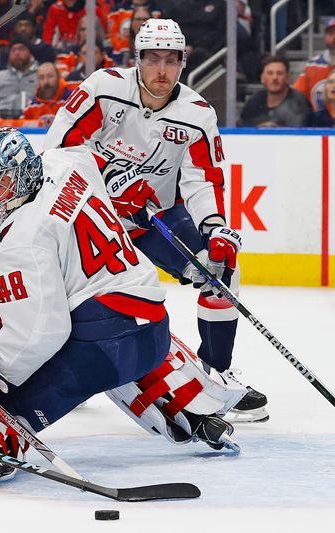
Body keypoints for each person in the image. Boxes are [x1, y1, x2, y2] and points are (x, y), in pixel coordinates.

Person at [0, 128, 243, 485]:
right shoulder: (67, 162)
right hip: (156, 332)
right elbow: (104, 163)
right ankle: (189, 405)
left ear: (22, 177)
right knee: (119, 313)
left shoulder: (17, 243)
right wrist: (123, 185)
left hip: (102, 355)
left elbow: (41, 332)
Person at [42, 19, 269, 422]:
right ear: (137, 60)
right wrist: (107, 176)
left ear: (183, 62)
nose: (161, 70)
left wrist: (215, 230)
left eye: (171, 60)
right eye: (152, 59)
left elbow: (204, 180)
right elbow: (57, 150)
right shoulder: (103, 89)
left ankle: (215, 371)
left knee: (221, 272)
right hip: (88, 220)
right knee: (62, 295)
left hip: (152, 219)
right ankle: (57, 374)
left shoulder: (197, 114)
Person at [239, 55, 312, 128]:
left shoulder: (299, 103)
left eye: (279, 73)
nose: (274, 78)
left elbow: (299, 134)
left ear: (287, 78)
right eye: (270, 73)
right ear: (262, 78)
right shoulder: (253, 102)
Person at [292, 16, 335, 111]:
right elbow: (296, 94)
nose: (334, 37)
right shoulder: (313, 65)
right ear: (325, 37)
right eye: (331, 33)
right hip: (317, 123)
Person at [0, 36, 38, 119]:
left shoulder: (39, 76)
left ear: (30, 53)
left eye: (21, 49)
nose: (17, 53)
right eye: (13, 50)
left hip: (31, 120)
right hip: (1, 120)